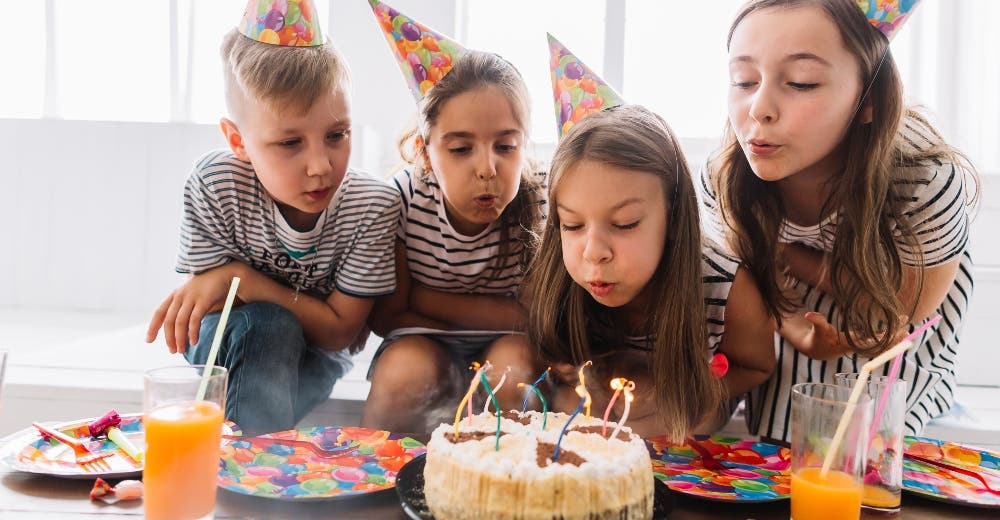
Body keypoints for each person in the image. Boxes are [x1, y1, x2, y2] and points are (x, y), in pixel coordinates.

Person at [703, 0, 979, 440]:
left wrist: (794, 257)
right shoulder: (726, 178)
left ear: (868, 100)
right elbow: (750, 285)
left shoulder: (924, 178)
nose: (759, 109)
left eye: (801, 82)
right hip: (786, 312)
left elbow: (896, 310)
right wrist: (795, 327)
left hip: (891, 323)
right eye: (744, 80)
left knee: (869, 449)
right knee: (785, 446)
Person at [145, 1, 401, 435]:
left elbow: (339, 333)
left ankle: (239, 463)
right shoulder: (216, 184)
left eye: (337, 135)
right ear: (237, 140)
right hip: (225, 341)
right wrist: (232, 286)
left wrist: (240, 278)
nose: (320, 165)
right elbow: (208, 308)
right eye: (289, 143)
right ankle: (251, 470)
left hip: (314, 361)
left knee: (274, 329)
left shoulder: (371, 206)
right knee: (267, 326)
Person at [526, 103, 775, 442]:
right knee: (571, 415)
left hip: (685, 397)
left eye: (624, 224)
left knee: (676, 420)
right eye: (572, 224)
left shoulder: (723, 283)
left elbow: (758, 365)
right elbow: (548, 353)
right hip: (599, 388)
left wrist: (695, 389)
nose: (593, 252)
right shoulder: (557, 270)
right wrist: (578, 377)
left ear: (672, 218)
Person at [360, 2, 545, 432]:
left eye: (506, 146)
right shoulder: (403, 200)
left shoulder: (539, 204)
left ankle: (504, 486)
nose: (487, 168)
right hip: (418, 341)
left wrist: (426, 300)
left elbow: (534, 320)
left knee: (512, 376)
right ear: (426, 153)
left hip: (510, 345)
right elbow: (389, 318)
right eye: (461, 149)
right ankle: (373, 476)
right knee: (405, 375)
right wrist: (497, 311)